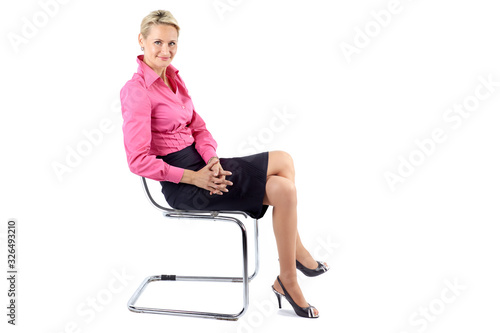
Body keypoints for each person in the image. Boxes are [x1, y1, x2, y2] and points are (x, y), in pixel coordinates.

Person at [120, 9, 329, 319]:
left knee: (284, 167)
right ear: (141, 41)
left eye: (173, 43)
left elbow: (199, 129)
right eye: (158, 43)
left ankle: (290, 265)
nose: (166, 51)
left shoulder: (173, 79)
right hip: (183, 185)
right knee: (284, 189)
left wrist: (212, 159)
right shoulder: (136, 92)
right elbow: (137, 161)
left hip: (202, 165)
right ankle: (289, 275)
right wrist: (193, 178)